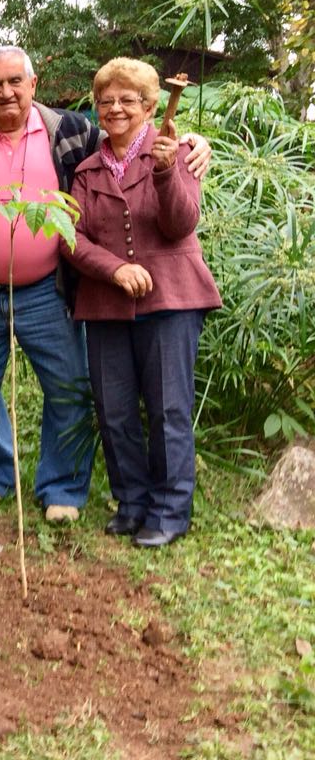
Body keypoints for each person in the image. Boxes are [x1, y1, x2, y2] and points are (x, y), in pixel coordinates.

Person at [0, 46, 210, 522]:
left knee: (69, 389)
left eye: (15, 81)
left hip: (46, 288)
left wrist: (193, 142)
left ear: (33, 85)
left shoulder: (72, 131)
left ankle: (62, 485)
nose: (6, 92)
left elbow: (132, 135)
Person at [63, 58, 220, 547]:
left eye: (128, 100)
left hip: (171, 301)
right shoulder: (87, 171)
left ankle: (171, 510)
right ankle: (131, 502)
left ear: (150, 106)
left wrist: (168, 171)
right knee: (114, 410)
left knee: (169, 408)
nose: (115, 109)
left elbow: (180, 223)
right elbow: (71, 237)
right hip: (106, 304)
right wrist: (115, 269)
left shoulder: (178, 151)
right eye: (107, 100)